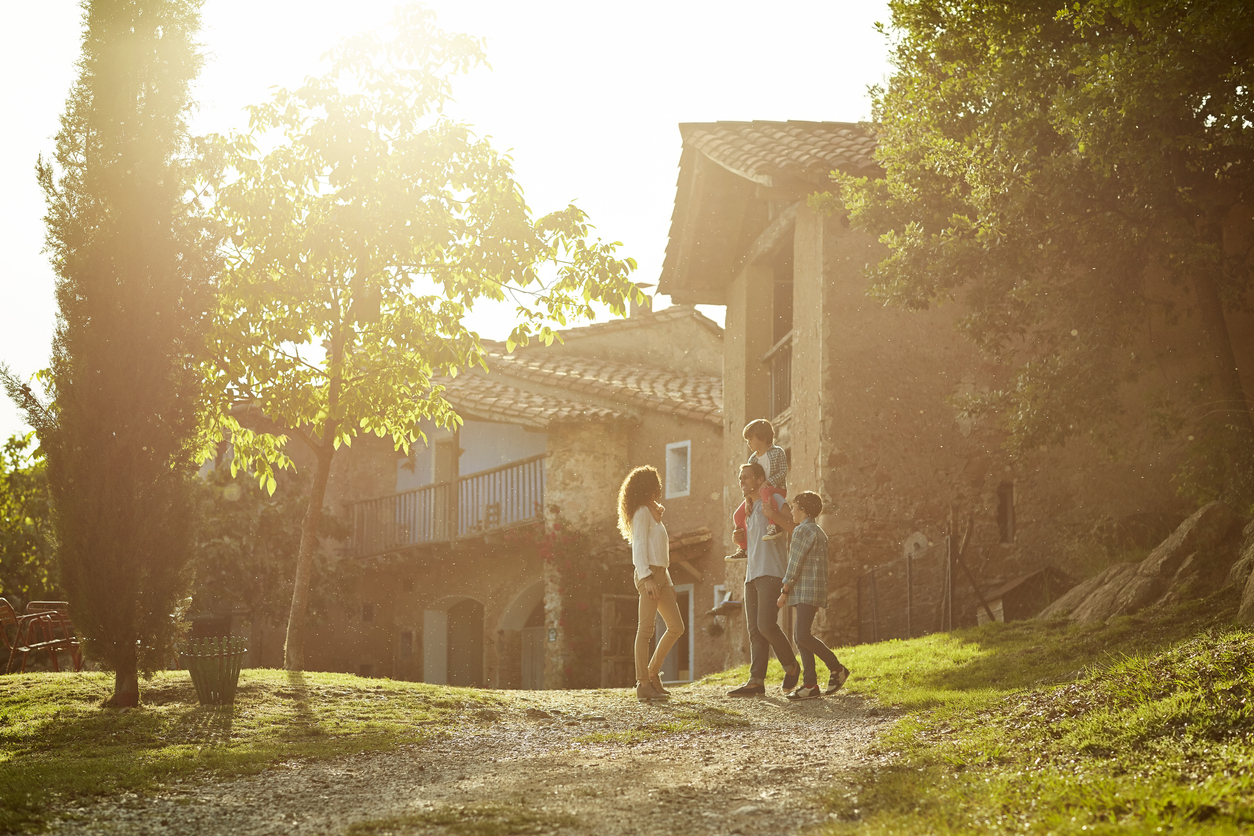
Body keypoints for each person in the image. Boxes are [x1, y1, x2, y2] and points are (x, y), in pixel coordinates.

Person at [727, 462, 802, 697]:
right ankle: (756, 681)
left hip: (772, 571)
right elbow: (754, 543)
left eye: (746, 477)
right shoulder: (747, 508)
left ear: (760, 479)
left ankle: (791, 666)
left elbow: (794, 527)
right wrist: (739, 538)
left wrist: (772, 515)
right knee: (754, 631)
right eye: (740, 478)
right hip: (752, 574)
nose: (742, 482)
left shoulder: (774, 500)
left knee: (766, 625)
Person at [617, 465, 684, 702]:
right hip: (649, 575)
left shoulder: (651, 513)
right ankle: (643, 683)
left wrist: (668, 580)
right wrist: (646, 578)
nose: (659, 489)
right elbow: (639, 548)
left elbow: (660, 550)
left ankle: (653, 672)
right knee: (645, 631)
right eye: (655, 484)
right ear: (647, 487)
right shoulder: (641, 513)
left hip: (662, 574)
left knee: (676, 627)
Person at [776, 491, 850, 700]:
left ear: (803, 510)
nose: (791, 511)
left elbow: (794, 564)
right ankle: (810, 685)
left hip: (805, 591)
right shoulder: (819, 532)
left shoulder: (802, 531)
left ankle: (836, 669)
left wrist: (784, 591)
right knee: (802, 636)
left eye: (794, 507)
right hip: (814, 590)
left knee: (802, 636)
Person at [726, 419, 789, 561]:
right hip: (760, 494)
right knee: (738, 515)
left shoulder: (777, 452)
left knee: (765, 491)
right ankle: (743, 548)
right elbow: (752, 482)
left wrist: (768, 482)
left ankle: (774, 527)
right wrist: (748, 500)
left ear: (764, 438)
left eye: (751, 439)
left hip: (776, 489)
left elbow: (783, 472)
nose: (748, 443)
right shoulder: (753, 459)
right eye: (747, 440)